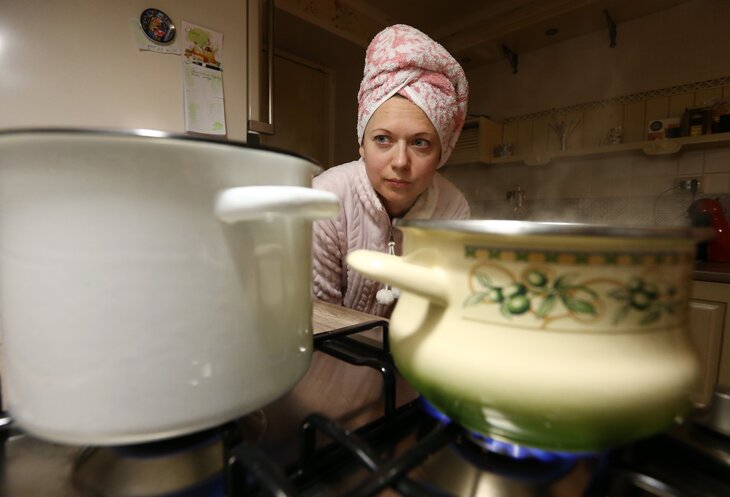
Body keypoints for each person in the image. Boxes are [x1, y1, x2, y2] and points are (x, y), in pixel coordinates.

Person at [312, 24, 470, 317]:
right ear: (362, 144)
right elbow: (321, 320)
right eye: (383, 139)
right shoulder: (323, 201)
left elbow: (445, 309)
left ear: (442, 153)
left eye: (420, 143)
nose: (400, 162)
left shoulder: (452, 209)